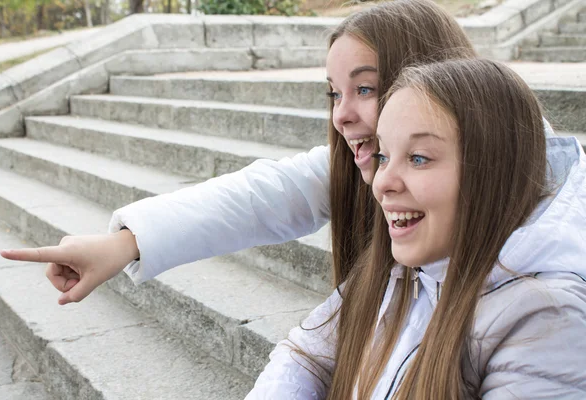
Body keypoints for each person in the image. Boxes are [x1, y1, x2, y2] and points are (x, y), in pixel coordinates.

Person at [0, 0, 496, 305]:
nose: (340, 116)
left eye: (365, 89)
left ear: (432, 79)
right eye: (333, 93)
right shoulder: (354, 169)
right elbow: (259, 197)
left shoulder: (541, 256)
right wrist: (124, 243)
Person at [246, 58, 586, 399]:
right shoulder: (402, 270)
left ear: (494, 170)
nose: (383, 184)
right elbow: (304, 354)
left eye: (418, 158)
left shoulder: (547, 320)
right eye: (383, 156)